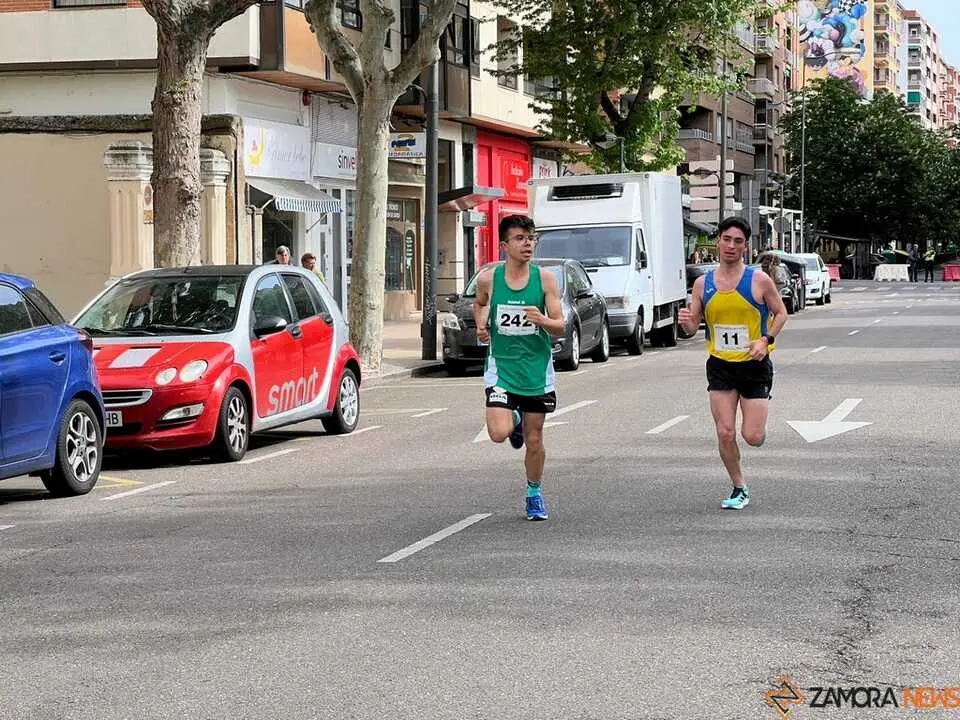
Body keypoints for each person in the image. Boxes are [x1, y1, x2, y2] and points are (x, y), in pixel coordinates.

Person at [679, 217, 788, 510]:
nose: (731, 246)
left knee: (751, 436)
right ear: (718, 240)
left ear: (745, 246)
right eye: (726, 239)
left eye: (738, 241)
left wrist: (766, 340)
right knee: (725, 431)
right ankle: (739, 486)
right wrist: (687, 323)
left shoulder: (759, 280)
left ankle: (759, 431)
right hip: (720, 365)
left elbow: (780, 313)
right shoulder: (703, 284)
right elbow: (692, 328)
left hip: (754, 365)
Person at [473, 215, 565, 521]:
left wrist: (543, 321)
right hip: (502, 369)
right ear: (504, 245)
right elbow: (480, 303)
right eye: (520, 239)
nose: (527, 244)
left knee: (535, 438)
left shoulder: (546, 279)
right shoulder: (489, 278)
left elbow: (560, 325)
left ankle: (534, 493)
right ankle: (511, 416)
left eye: (531, 238)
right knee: (499, 433)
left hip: (537, 371)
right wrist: (481, 325)